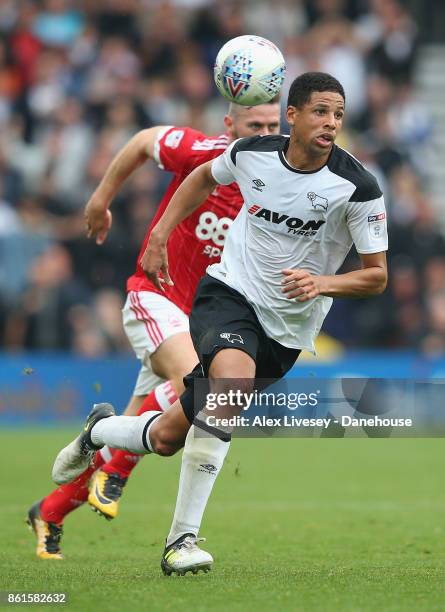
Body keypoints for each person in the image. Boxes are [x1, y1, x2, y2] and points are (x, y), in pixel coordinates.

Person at [52, 72, 388, 575]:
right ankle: (181, 543)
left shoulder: (358, 187)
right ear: (292, 115)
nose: (331, 123)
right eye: (320, 111)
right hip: (229, 294)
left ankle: (99, 430)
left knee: (167, 436)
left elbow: (377, 276)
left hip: (287, 331)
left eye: (338, 114)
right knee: (229, 388)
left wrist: (322, 283)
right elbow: (202, 178)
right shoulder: (253, 153)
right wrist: (162, 232)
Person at [27, 100, 281, 560]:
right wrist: (101, 199)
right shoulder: (200, 152)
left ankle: (49, 511)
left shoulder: (278, 187)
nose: (263, 134)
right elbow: (143, 142)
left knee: (148, 433)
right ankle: (118, 468)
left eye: (271, 125)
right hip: (156, 298)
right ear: (229, 125)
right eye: (253, 125)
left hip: (204, 322)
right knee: (199, 387)